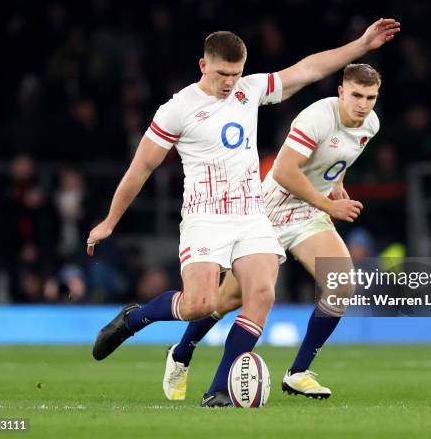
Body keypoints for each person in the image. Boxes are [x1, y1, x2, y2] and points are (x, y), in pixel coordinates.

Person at [87, 22, 400, 407]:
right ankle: (136, 319)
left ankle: (219, 388)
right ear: (203, 65)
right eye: (222, 74)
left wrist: (360, 45)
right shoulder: (178, 109)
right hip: (204, 216)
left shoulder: (248, 90)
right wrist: (110, 221)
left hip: (251, 212)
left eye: (236, 74)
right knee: (201, 304)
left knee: (262, 293)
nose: (230, 82)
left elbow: (309, 69)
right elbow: (141, 168)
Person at [163, 63, 383, 402]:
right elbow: (282, 171)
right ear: (341, 91)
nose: (363, 104)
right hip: (270, 213)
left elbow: (334, 156)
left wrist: (336, 184)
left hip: (308, 213)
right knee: (227, 300)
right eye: (356, 95)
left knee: (341, 284)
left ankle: (298, 373)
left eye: (370, 97)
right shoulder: (317, 118)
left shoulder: (371, 124)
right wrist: (329, 206)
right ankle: (181, 353)